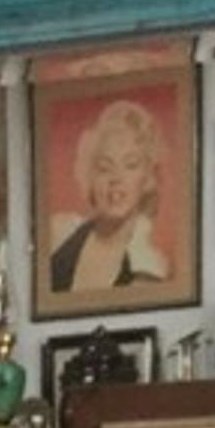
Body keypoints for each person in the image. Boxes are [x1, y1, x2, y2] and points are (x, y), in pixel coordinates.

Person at [49, 100, 170, 294]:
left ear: (147, 178)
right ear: (89, 176)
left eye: (130, 165)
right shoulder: (58, 233)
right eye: (104, 168)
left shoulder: (150, 268)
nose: (116, 178)